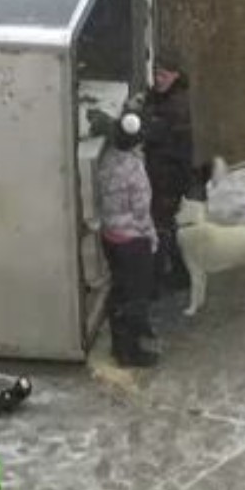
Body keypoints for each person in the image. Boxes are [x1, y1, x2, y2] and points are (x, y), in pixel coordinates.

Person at [96, 112, 160, 368]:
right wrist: (151, 237)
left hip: (111, 235)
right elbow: (141, 210)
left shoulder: (107, 159)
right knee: (135, 296)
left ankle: (119, 343)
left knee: (119, 291)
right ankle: (130, 351)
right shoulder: (134, 170)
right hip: (133, 240)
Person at [137, 50, 196, 292]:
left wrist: (122, 126)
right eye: (156, 74)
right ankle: (176, 273)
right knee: (165, 226)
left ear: (175, 75)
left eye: (163, 74)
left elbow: (152, 132)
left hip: (168, 176)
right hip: (163, 173)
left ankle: (167, 276)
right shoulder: (164, 96)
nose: (158, 79)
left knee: (162, 227)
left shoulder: (176, 106)